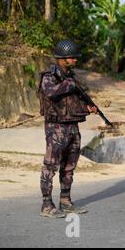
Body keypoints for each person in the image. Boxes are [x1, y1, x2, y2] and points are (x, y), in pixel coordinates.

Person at [38, 40, 98, 218]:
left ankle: (65, 201)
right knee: (51, 165)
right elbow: (50, 92)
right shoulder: (50, 76)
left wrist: (87, 108)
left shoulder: (71, 77)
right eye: (72, 57)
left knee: (69, 166)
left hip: (72, 126)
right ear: (62, 59)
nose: (75, 60)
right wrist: (68, 85)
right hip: (56, 127)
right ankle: (47, 205)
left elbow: (73, 101)